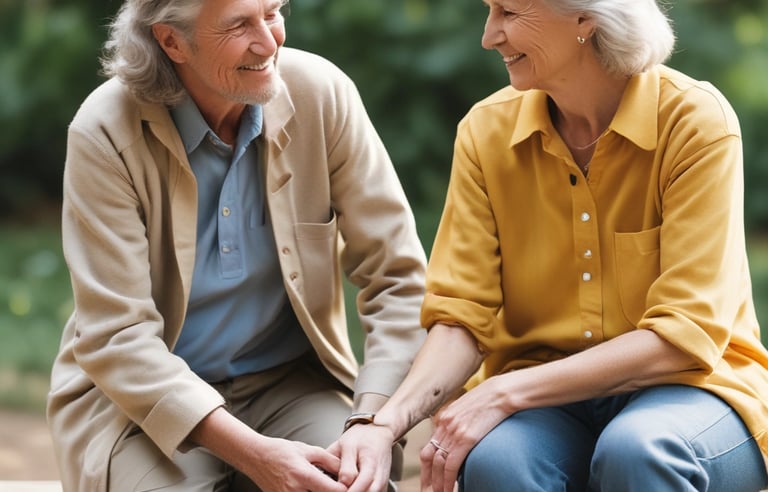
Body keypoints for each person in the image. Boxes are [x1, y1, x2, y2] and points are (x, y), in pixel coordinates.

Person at [331, 1, 768, 491]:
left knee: (638, 449)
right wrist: (384, 425)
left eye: (509, 12)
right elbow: (462, 318)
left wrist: (501, 393)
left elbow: (684, 336)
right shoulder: (484, 132)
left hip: (693, 393)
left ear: (586, 18)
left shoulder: (693, 120)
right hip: (547, 406)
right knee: (497, 461)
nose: (489, 35)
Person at [45, 0, 428, 490]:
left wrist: (372, 421)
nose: (270, 42)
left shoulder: (322, 94)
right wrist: (255, 455)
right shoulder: (104, 131)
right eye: (239, 25)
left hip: (290, 383)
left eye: (272, 12)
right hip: (141, 407)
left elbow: (399, 278)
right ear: (172, 41)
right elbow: (118, 338)